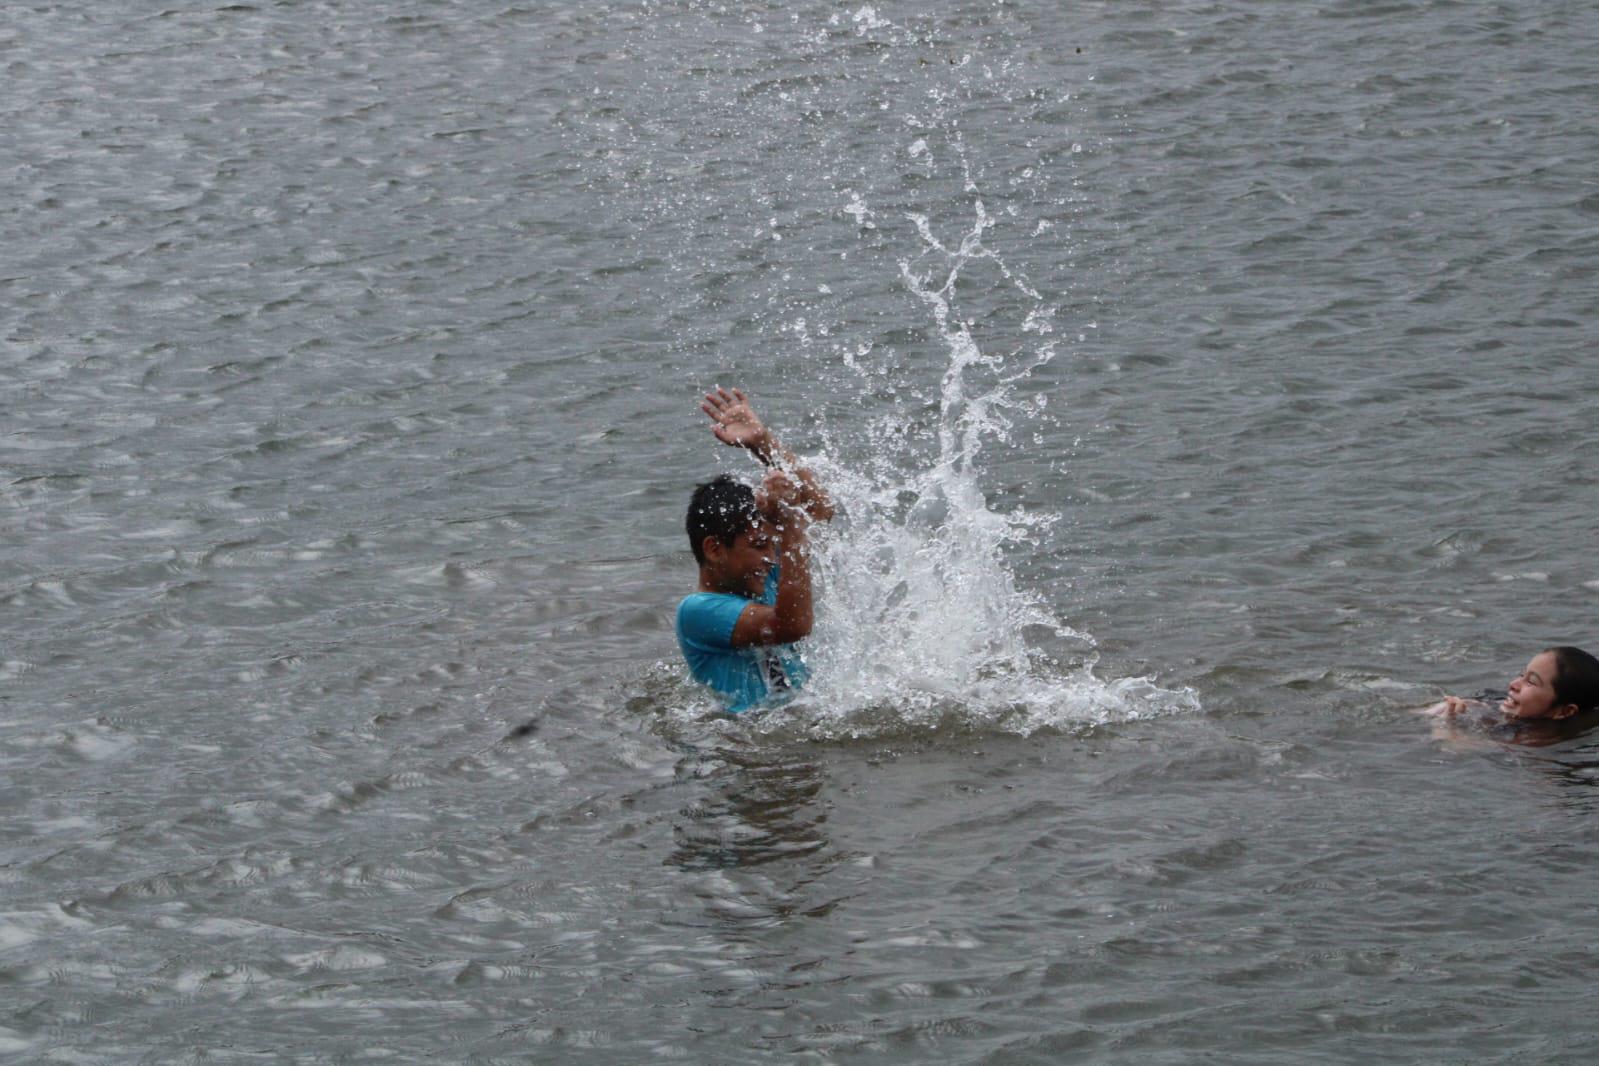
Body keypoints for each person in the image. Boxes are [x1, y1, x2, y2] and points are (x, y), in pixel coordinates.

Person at [677, 388, 834, 713]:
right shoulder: (698, 611)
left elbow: (820, 510)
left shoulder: (759, 574)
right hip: (749, 745)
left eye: (770, 544)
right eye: (759, 545)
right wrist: (788, 521)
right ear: (715, 549)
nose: (769, 557)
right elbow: (792, 625)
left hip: (794, 723)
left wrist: (762, 443)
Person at [1422, 646, 1599, 741]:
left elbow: (1453, 749)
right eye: (1522, 674)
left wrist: (1447, 724)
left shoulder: (1537, 742)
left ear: (1564, 711)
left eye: (1531, 681)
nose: (1513, 684)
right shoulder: (1499, 704)